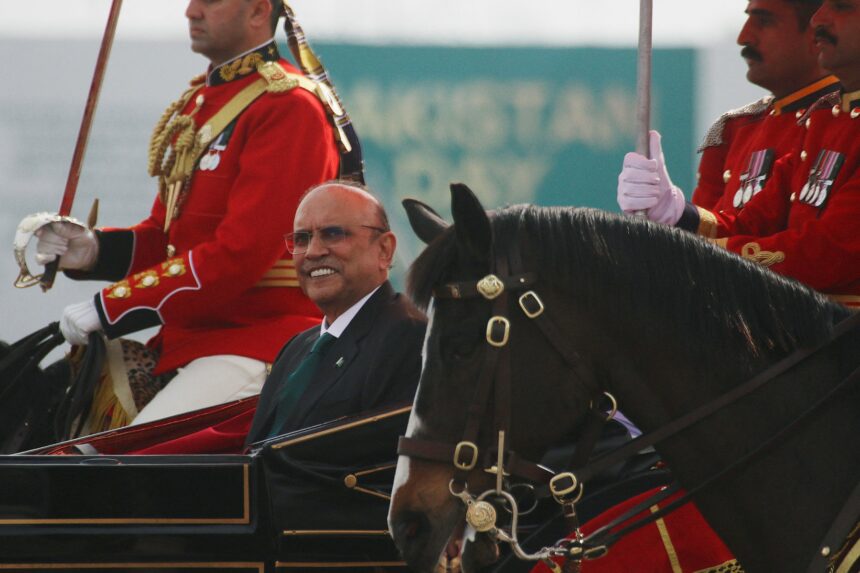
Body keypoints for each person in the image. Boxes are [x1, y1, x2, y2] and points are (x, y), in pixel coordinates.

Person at [14, 0, 343, 428]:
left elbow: (239, 256)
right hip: (187, 341)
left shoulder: (289, 106)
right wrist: (94, 251)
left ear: (259, 11)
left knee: (128, 456)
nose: (191, 11)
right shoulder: (202, 101)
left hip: (257, 341)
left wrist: (113, 306)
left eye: (210, 1)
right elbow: (166, 239)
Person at [618, 0, 860, 309]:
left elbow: (828, 252)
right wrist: (677, 213)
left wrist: (701, 255)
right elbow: (753, 224)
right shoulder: (824, 120)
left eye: (841, 6)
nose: (819, 19)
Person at [621, 0, 838, 221]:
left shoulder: (844, 122)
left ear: (817, 35)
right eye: (748, 19)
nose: (744, 37)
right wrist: (668, 217)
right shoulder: (734, 130)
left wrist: (680, 215)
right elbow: (705, 237)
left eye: (764, 21)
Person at [246, 181, 427, 443]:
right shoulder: (296, 349)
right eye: (302, 239)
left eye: (333, 234)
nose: (313, 252)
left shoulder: (410, 338)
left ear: (384, 250)